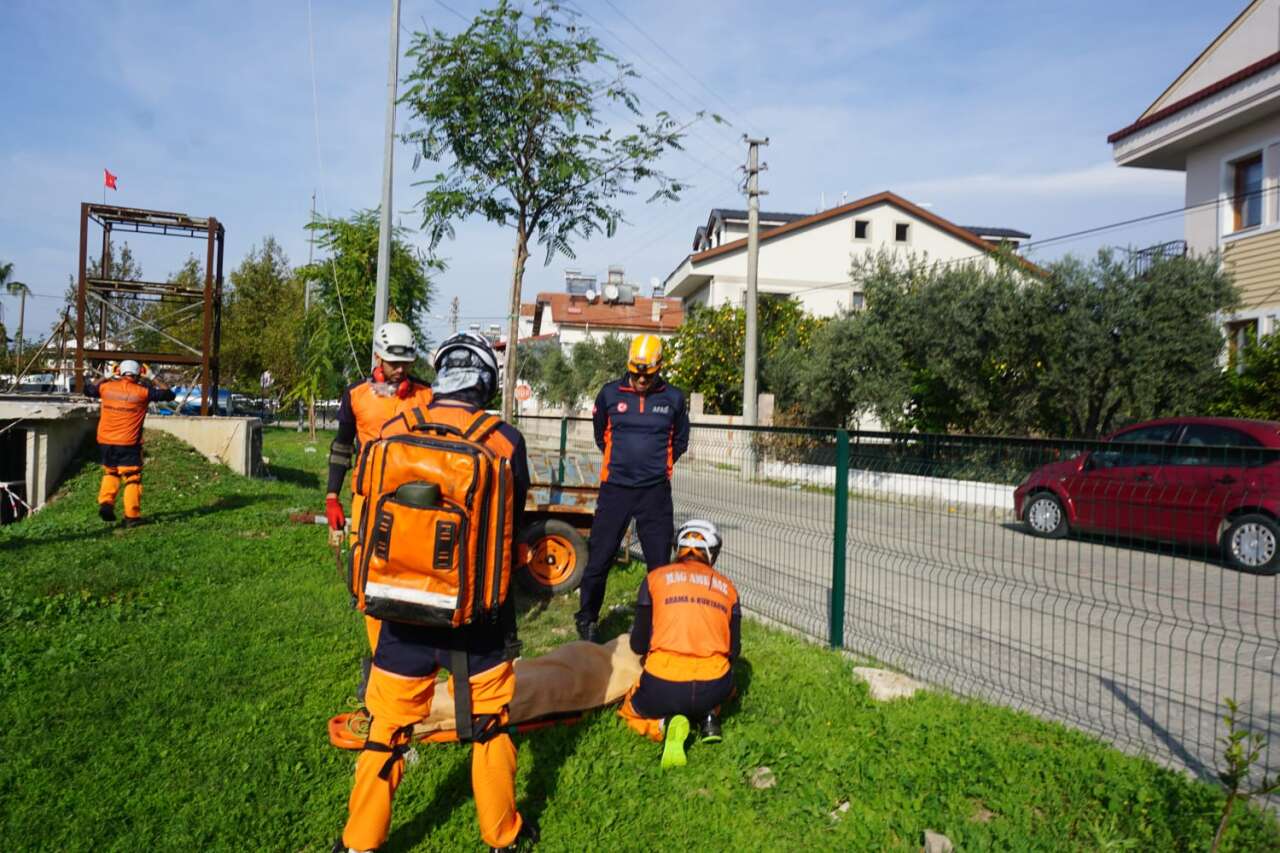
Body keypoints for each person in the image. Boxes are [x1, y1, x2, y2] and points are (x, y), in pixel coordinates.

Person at [335, 331, 536, 853]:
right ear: (486, 383)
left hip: (401, 607)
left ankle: (358, 843)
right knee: (490, 727)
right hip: (480, 617)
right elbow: (515, 522)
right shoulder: (505, 440)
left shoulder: (393, 429)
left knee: (387, 729)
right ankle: (502, 836)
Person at [325, 322, 433, 695]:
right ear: (378, 358)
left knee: (410, 583)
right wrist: (332, 497)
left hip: (413, 507)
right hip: (369, 502)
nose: (400, 369)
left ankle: (407, 658)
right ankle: (380, 661)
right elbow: (341, 448)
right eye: (393, 363)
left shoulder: (426, 396)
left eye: (406, 362)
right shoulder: (357, 396)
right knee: (368, 584)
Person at [575, 334, 689, 642]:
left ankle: (656, 627)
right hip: (616, 490)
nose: (640, 379)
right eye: (636, 372)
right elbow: (602, 436)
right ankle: (587, 620)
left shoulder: (674, 399)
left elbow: (680, 441)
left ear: (659, 368)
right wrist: (622, 462)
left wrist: (658, 465)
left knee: (659, 566)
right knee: (599, 559)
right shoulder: (609, 394)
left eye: (647, 374)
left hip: (655, 493)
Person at [618, 519, 741, 769]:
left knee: (629, 709)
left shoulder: (654, 579)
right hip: (714, 685)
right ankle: (708, 716)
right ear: (713, 554)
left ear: (678, 549)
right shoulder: (729, 589)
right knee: (728, 688)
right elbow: (734, 651)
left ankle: (664, 725)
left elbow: (639, 644)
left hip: (663, 684)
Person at [84, 360, 175, 527]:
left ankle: (106, 503)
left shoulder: (106, 388)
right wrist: (152, 376)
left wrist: (106, 376)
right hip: (129, 442)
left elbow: (88, 389)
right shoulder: (143, 392)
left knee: (111, 472)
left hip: (105, 440)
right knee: (132, 478)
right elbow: (169, 394)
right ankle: (132, 516)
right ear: (139, 372)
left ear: (119, 371)